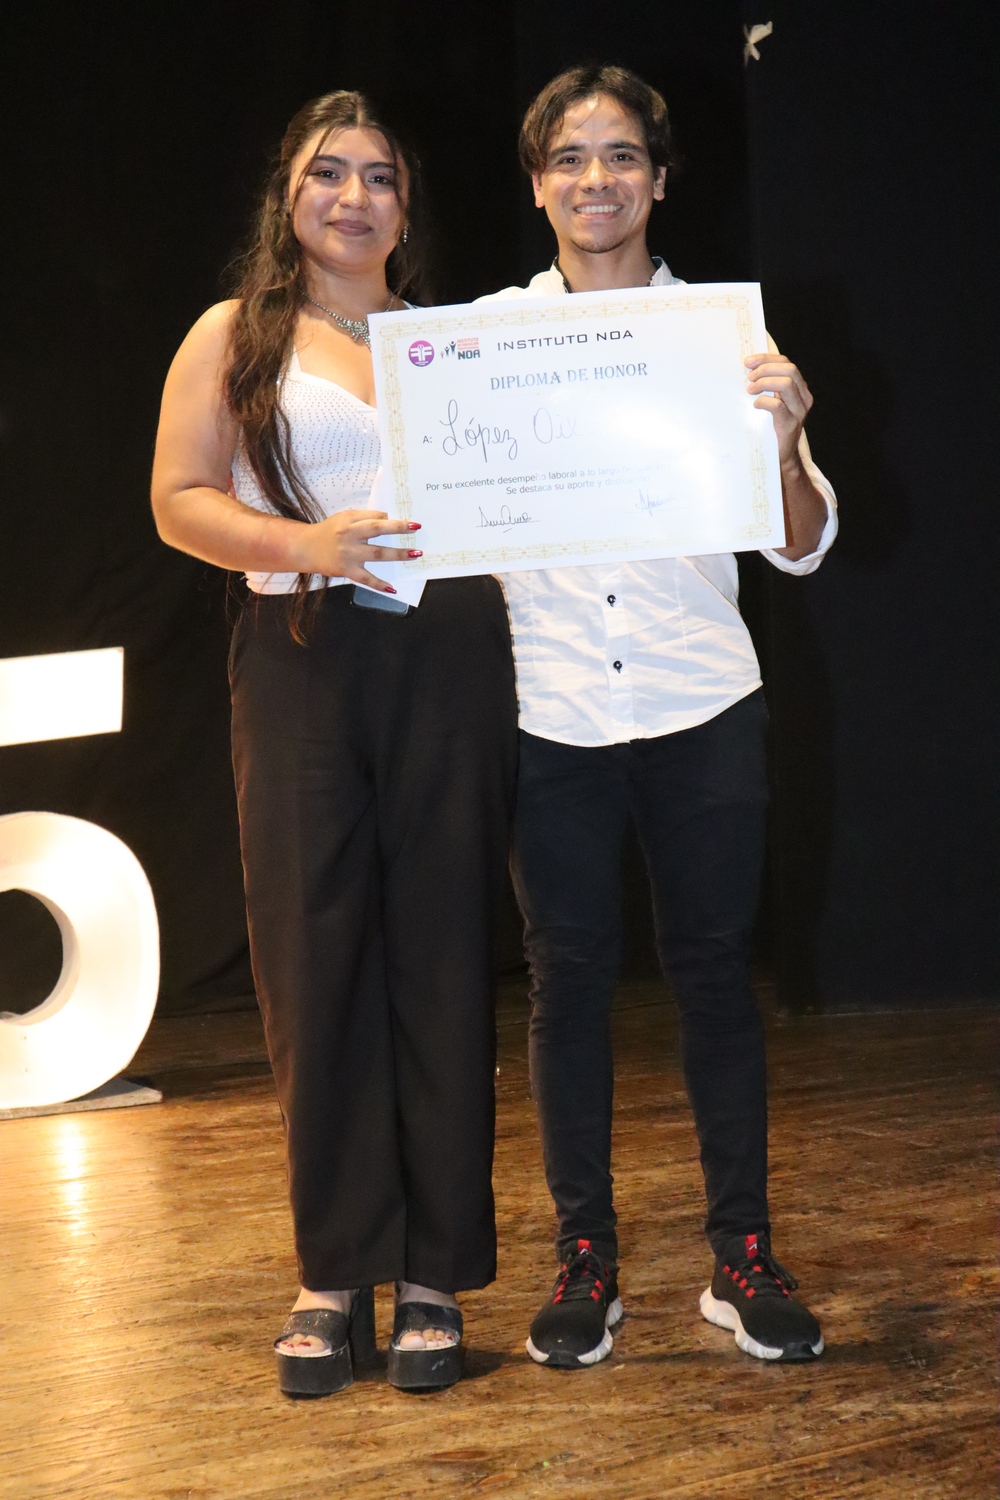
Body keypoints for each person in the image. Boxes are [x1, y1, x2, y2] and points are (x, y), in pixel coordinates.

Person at [151, 91, 517, 1396]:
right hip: (300, 653)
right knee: (314, 957)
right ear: (289, 195)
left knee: (444, 952)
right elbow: (177, 500)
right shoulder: (234, 334)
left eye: (379, 177)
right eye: (328, 173)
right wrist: (303, 543)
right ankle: (332, 1271)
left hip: (448, 654)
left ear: (406, 210)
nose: (353, 197)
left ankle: (433, 1275)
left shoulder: (450, 343)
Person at [479, 64, 837, 1369]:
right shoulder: (484, 346)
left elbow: (800, 545)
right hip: (552, 709)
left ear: (661, 179)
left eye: (622, 155)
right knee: (566, 985)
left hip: (702, 697)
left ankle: (742, 1257)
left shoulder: (723, 342)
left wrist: (785, 442)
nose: (598, 180)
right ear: (538, 186)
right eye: (570, 158)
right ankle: (587, 1259)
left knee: (715, 979)